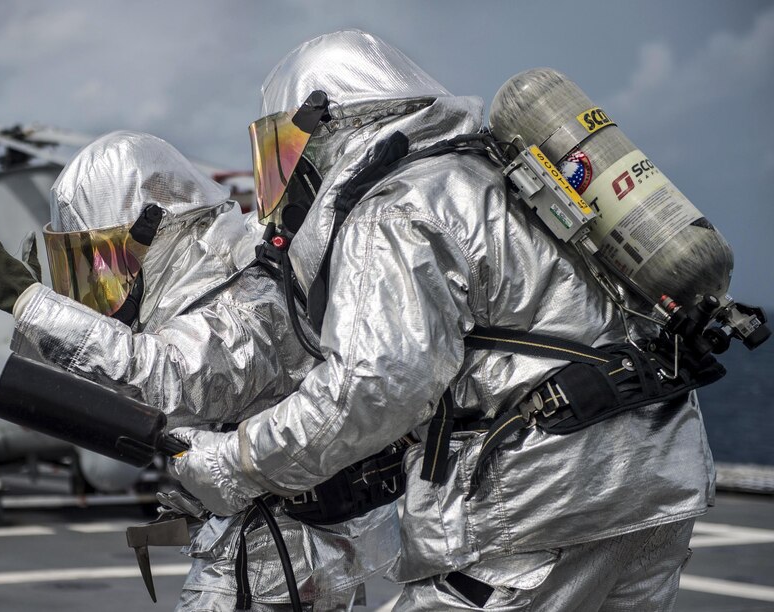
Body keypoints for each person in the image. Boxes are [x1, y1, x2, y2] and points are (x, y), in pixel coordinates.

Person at [169, 30, 711, 611]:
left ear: (326, 127)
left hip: (543, 507)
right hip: (655, 479)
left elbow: (374, 386)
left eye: (287, 148)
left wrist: (234, 462)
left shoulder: (396, 208)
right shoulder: (488, 176)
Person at [0, 130, 399, 611]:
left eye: (103, 262)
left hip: (282, 563)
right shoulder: (198, 302)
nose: (100, 286)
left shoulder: (249, 297)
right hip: (258, 549)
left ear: (154, 233)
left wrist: (34, 306)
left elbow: (167, 379)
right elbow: (110, 395)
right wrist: (47, 323)